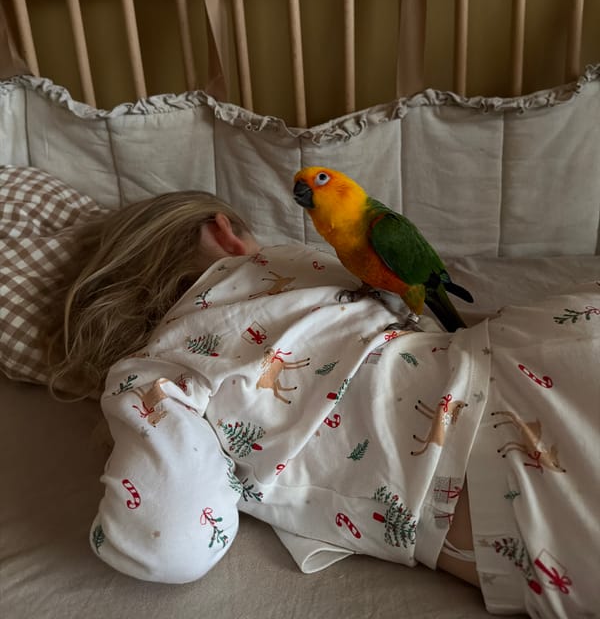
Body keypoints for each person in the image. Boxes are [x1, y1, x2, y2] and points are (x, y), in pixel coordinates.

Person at [47, 190, 599, 618]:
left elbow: (164, 542)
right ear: (226, 234)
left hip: (486, 486)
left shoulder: (152, 374)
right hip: (539, 344)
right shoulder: (302, 260)